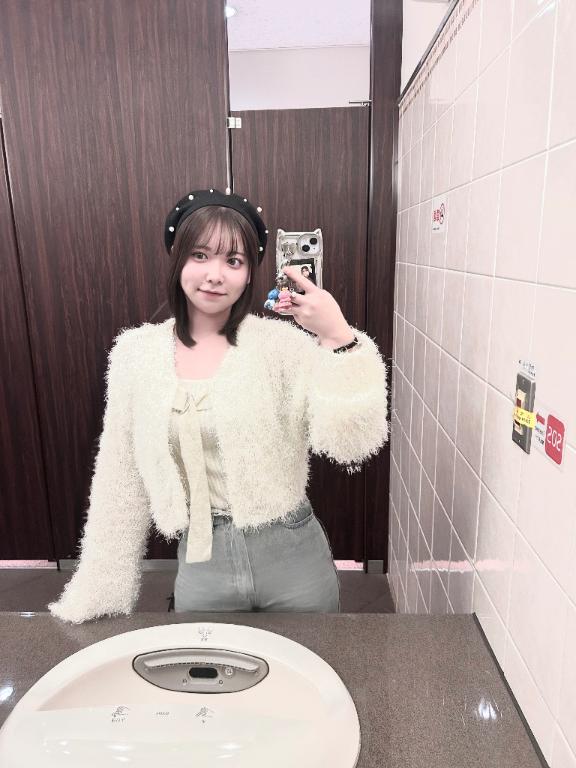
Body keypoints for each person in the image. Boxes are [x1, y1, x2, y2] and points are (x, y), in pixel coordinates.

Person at [48, 188, 389, 624]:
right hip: (201, 562)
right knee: (208, 669)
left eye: (234, 261)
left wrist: (338, 338)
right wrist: (98, 589)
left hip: (293, 558)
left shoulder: (282, 346)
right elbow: (120, 477)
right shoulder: (135, 355)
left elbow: (352, 445)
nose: (215, 275)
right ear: (178, 260)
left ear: (248, 275)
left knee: (305, 664)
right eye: (200, 255)